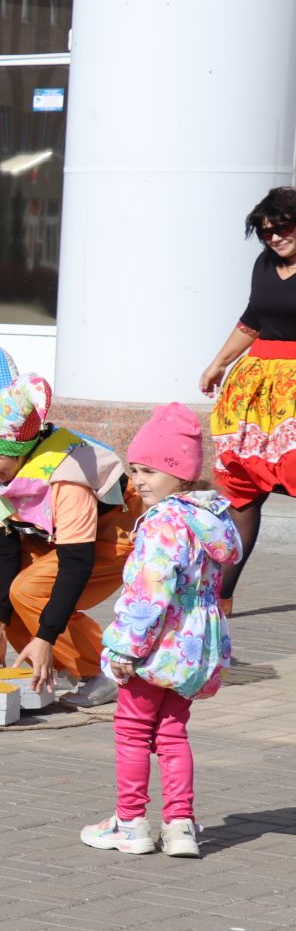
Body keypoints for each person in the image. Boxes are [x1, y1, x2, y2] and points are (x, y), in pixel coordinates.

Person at [81, 404, 241, 860]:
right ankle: (181, 826)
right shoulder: (212, 519)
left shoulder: (165, 521)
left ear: (181, 474)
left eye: (149, 470)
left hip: (155, 647)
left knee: (132, 730)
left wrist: (125, 650)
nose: (139, 481)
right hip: (194, 647)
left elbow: (150, 593)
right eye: (134, 470)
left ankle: (130, 823)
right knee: (173, 733)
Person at [0, 372, 134, 707]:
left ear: (21, 454)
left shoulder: (65, 477)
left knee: (31, 590)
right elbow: (2, 551)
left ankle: (102, 670)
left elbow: (75, 564)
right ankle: (56, 666)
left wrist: (45, 635)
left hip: (108, 535)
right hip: (53, 539)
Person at [200, 186, 296, 612]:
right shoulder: (264, 264)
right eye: (265, 233)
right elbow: (253, 319)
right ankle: (221, 598)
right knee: (243, 491)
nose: (274, 238)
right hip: (256, 391)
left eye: (282, 228)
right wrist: (218, 362)